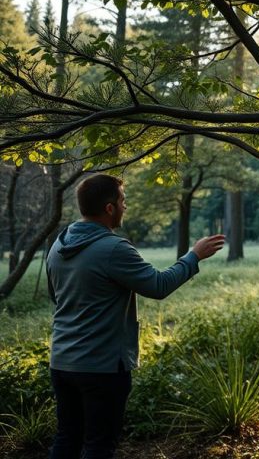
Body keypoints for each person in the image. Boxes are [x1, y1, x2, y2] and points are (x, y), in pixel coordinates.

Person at [46, 174, 225, 459]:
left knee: (67, 439)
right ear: (109, 208)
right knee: (98, 446)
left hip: (62, 363)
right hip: (101, 367)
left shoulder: (58, 244)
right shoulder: (114, 248)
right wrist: (194, 256)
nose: (125, 207)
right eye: (122, 201)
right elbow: (158, 286)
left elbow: (56, 297)